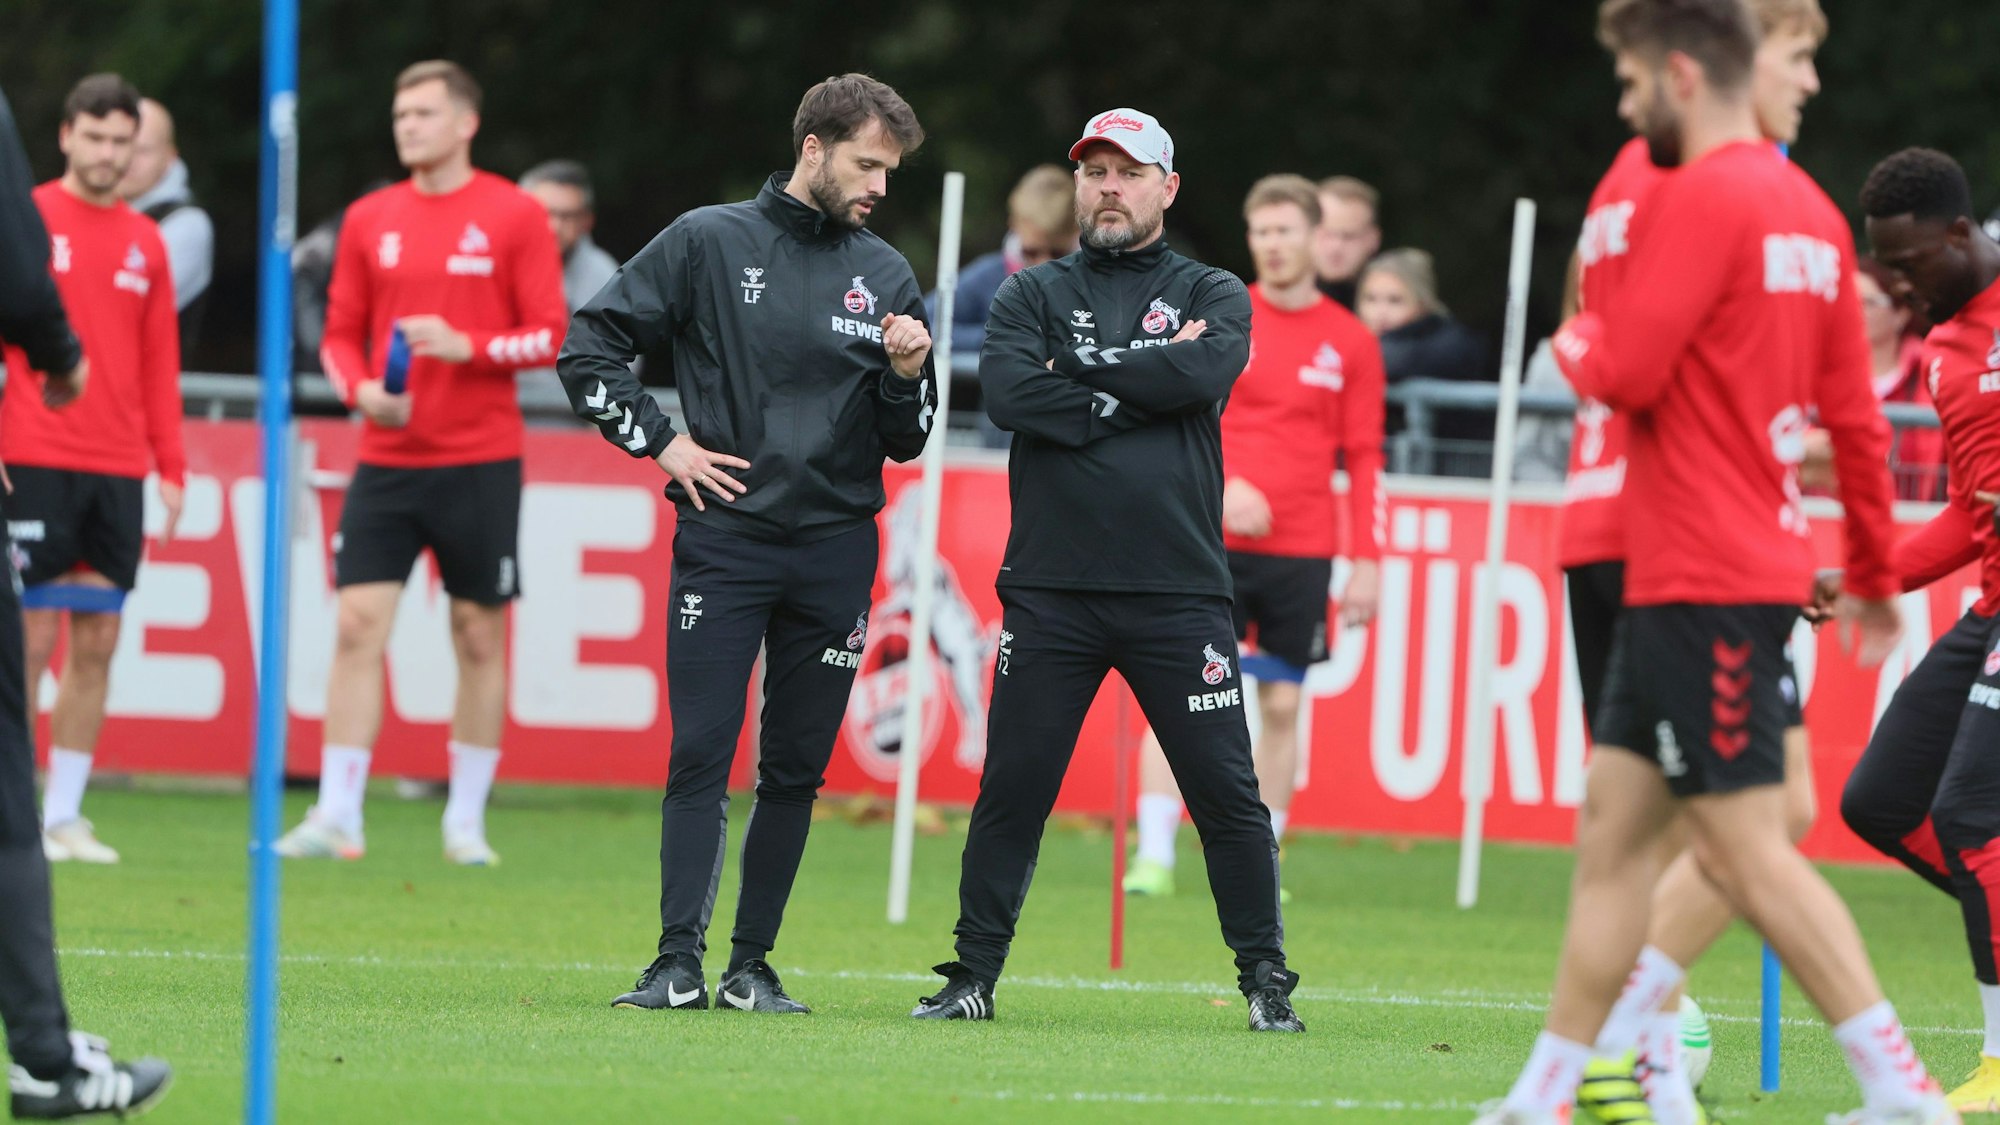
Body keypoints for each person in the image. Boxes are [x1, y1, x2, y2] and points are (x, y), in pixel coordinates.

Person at [1477, 2, 1951, 1123]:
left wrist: (1567, 340)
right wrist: (1877, 572)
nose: (1813, 82)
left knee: (1747, 842)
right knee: (1622, 833)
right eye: (1799, 57)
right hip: (1694, 562)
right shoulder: (1803, 211)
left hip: (1690, 559)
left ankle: (1899, 1088)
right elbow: (1852, 414)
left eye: (1629, 75)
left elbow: (1626, 363)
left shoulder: (1689, 192)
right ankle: (1544, 1092)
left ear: (1681, 74)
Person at [908, 107, 1303, 1033]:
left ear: (1168, 185)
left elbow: (1201, 377)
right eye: (1094, 171)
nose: (1109, 187)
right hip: (1051, 590)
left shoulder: (1214, 288)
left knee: (1227, 795)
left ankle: (1266, 978)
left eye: (1129, 171)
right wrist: (1136, 382)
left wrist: (1081, 376)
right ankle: (972, 975)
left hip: (1179, 590)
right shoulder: (1027, 294)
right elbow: (1009, 393)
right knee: (1014, 787)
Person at [558, 73, 934, 1015]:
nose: (880, 187)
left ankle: (751, 965)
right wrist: (663, 441)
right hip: (726, 540)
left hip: (838, 549)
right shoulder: (707, 239)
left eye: (890, 171)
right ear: (814, 147)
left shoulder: (885, 271)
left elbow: (910, 435)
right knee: (701, 751)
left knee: (796, 769)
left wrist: (906, 374)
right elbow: (588, 345)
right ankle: (674, 961)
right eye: (867, 164)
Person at [1563, 6, 1842, 1119]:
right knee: (1738, 825)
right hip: (1659, 543)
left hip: (1712, 539)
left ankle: (1623, 1035)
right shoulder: (1673, 174)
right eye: (1795, 53)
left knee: (1745, 818)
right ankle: (1637, 1038)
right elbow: (1632, 361)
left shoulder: (1744, 184)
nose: (1810, 79)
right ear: (1731, 58)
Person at [273, 60, 567, 865]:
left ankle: (465, 820)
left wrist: (470, 345)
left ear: (465, 122)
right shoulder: (370, 218)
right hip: (387, 457)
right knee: (357, 623)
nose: (408, 124)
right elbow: (337, 337)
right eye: (401, 112)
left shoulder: (514, 214)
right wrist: (361, 389)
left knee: (478, 634)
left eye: (425, 112)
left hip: (480, 457)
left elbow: (549, 333)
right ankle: (338, 813)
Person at [1121, 173, 1385, 900]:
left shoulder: (1351, 340)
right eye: (1260, 233)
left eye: (1285, 232)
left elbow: (1364, 457)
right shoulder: (1220, 311)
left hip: (1302, 551)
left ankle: (1260, 859)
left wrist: (1367, 561)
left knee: (1281, 705)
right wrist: (1224, 485)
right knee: (1180, 693)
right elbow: (1176, 414)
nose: (1272, 246)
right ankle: (1154, 855)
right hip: (1208, 542)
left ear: (1316, 238)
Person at [0, 78, 170, 1121]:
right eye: (93, 136)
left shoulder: (146, 241)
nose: (108, 153)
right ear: (65, 138)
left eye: (124, 138)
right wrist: (55, 361)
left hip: (112, 466)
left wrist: (169, 453)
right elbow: (25, 291)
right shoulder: (36, 212)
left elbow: (157, 361)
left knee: (93, 642)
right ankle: (45, 1057)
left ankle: (70, 810)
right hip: (36, 451)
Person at [1844, 146, 2000, 1117]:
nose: (1894, 288)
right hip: (1989, 603)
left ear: (1957, 233)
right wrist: (1859, 576)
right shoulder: (1943, 351)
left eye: (1907, 266)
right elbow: (1966, 512)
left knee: (1969, 812)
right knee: (1880, 801)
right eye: (1881, 271)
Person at [1358, 248, 1489, 465]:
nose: (1379, 312)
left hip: (1450, 479)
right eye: (1370, 299)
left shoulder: (1451, 344)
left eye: (1395, 300)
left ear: (1422, 302)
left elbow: (1396, 360)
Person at [930, 164, 1077, 356]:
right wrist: (998, 337)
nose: (1044, 266)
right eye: (1031, 252)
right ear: (1013, 225)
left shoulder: (1096, 281)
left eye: (1057, 253)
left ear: (1078, 232)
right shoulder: (987, 276)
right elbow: (922, 325)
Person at [115, 98, 211, 360]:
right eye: (122, 144)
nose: (128, 160)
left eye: (143, 150)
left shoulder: (187, 223)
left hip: (149, 391)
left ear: (169, 157)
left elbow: (127, 314)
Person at [1856, 258, 1945, 500]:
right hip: (1828, 522)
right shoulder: (1820, 375)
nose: (1853, 311)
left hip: (1916, 519)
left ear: (1901, 314)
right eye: (1846, 301)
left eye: (1868, 302)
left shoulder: (1933, 372)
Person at [1313, 175, 1381, 309]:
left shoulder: (1393, 314)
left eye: (1349, 236)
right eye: (1327, 234)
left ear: (1373, 239)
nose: (1336, 246)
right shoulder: (1275, 302)